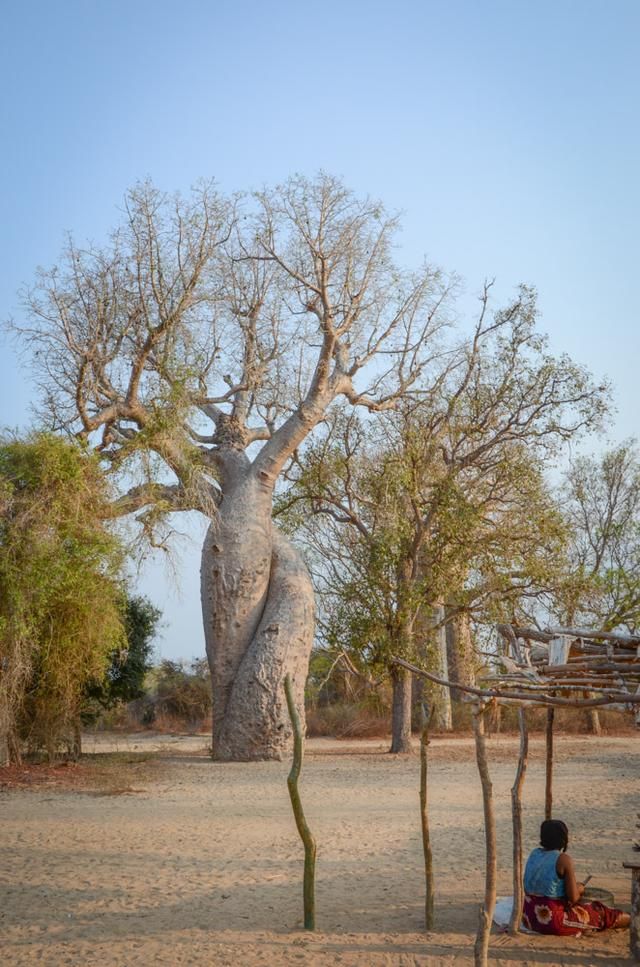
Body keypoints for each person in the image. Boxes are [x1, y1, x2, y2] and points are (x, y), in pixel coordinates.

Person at [522, 819, 630, 936]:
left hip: (528, 917)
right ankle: (632, 919)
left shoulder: (534, 853)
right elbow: (573, 898)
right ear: (563, 839)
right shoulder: (564, 859)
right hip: (551, 921)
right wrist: (579, 888)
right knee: (600, 912)